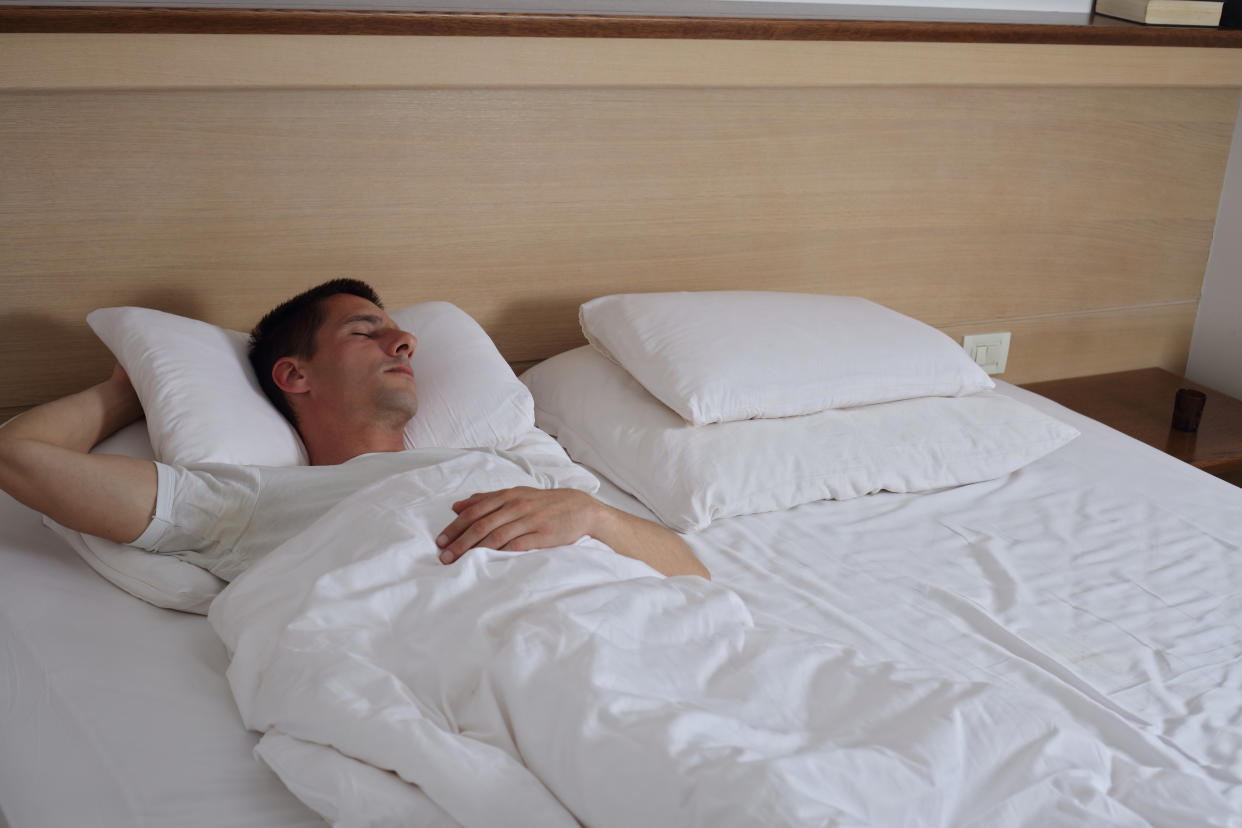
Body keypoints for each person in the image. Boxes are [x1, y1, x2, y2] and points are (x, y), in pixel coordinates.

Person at [0, 280, 709, 581]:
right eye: (367, 332)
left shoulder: (515, 467)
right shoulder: (248, 501)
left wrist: (590, 516)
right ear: (294, 376)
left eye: (401, 334)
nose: (403, 343)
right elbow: (19, 457)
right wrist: (132, 391)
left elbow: (693, 569)